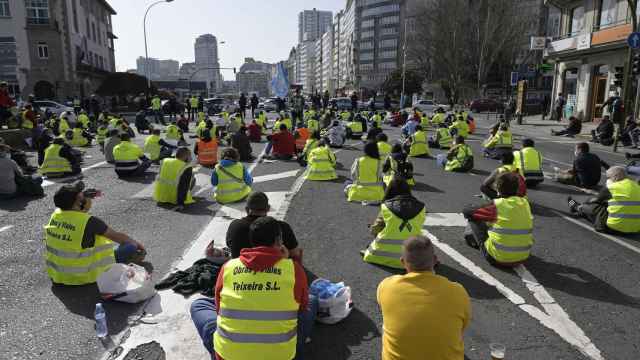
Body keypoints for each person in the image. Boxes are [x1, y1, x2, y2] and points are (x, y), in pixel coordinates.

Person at [190, 216, 314, 360]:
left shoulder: (229, 267)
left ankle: (216, 352)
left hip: (229, 356)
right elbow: (302, 308)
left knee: (199, 305)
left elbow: (219, 310)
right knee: (311, 300)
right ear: (279, 240)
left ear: (252, 241)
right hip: (281, 356)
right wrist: (286, 262)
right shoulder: (293, 269)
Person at [377, 235, 470, 360]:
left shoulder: (386, 286)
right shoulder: (458, 291)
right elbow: (462, 327)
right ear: (435, 260)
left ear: (403, 262)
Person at [44, 181, 146, 285]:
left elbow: (76, 216)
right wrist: (138, 244)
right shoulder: (89, 222)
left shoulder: (56, 215)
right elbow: (118, 237)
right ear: (78, 202)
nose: (83, 195)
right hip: (84, 275)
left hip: (59, 275)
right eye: (80, 195)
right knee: (131, 247)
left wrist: (85, 200)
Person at [463, 172, 534, 267]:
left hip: (497, 258)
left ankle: (472, 239)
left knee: (474, 217)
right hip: (522, 258)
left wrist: (472, 207)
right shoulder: (525, 203)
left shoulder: (498, 204)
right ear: (517, 189)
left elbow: (467, 211)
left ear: (498, 188)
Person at [364, 178, 425, 268]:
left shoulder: (386, 207)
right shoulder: (421, 207)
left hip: (382, 255)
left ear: (389, 190)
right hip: (413, 259)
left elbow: (376, 229)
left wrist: (372, 229)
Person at [225, 192, 302, 260]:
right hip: (275, 272)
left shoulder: (234, 226)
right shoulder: (281, 227)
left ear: (247, 209)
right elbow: (295, 253)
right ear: (268, 208)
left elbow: (229, 246)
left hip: (240, 271)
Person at [568, 166, 640, 234]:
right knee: (611, 205)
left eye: (608, 177)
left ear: (615, 177)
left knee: (597, 207)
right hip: (635, 229)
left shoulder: (612, 187)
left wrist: (586, 202)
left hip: (614, 228)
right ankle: (581, 210)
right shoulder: (636, 186)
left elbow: (594, 200)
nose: (607, 180)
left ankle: (577, 207)